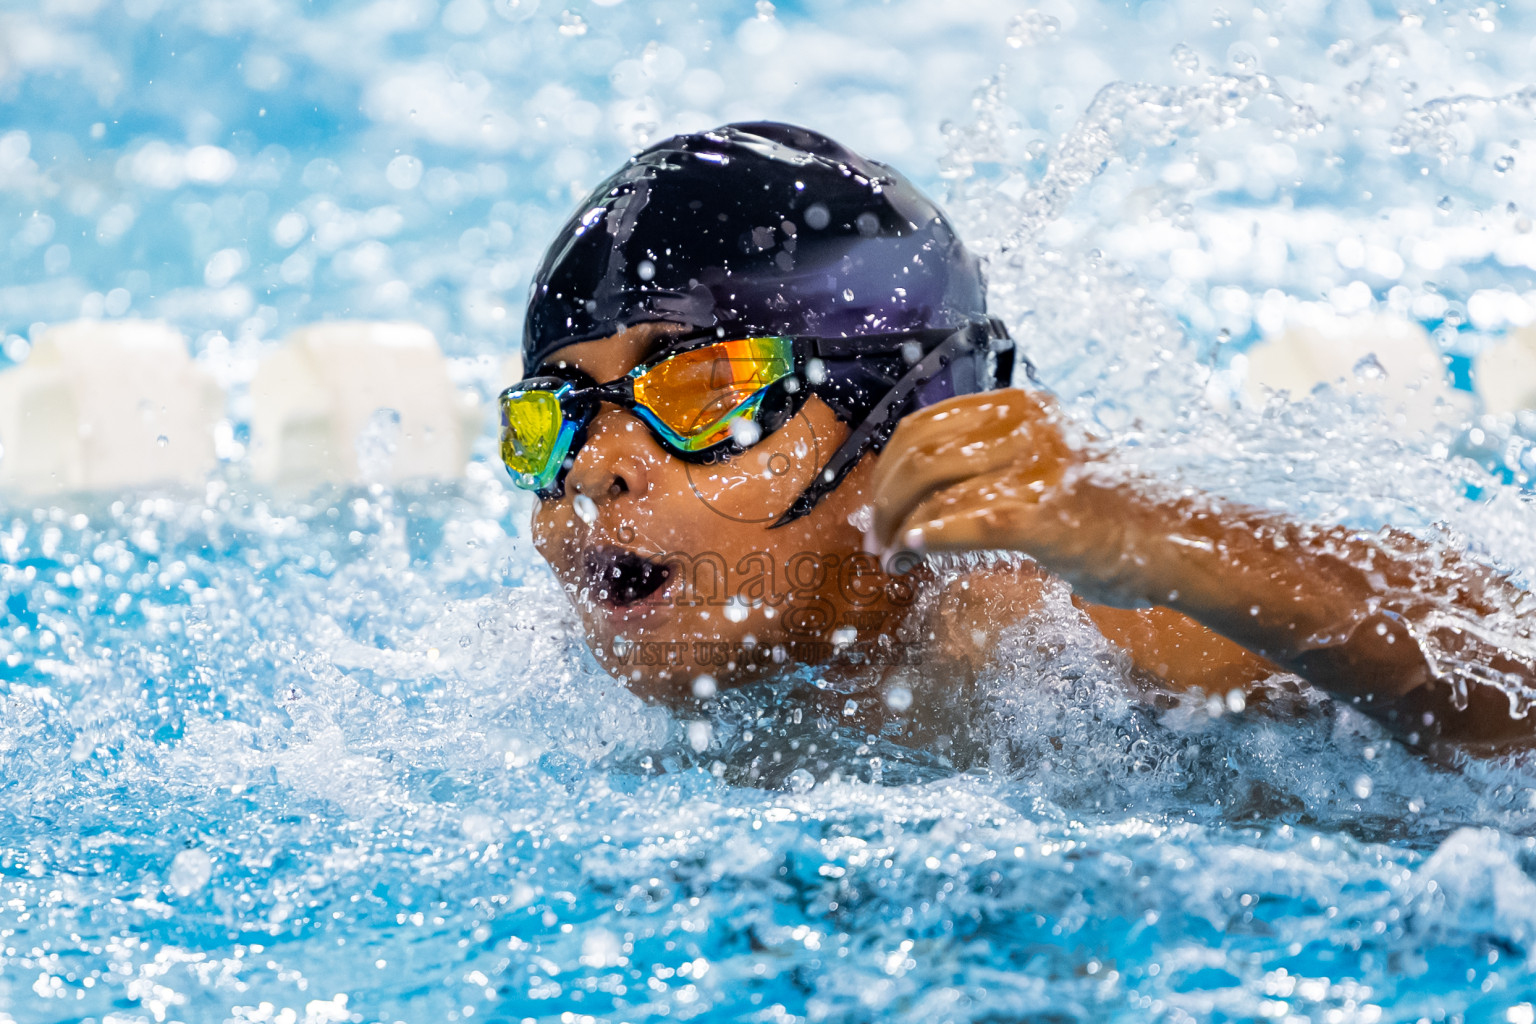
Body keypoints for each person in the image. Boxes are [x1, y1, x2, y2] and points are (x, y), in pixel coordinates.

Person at [499, 121, 1536, 759]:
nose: (591, 471)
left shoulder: (1050, 644)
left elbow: (1513, 682)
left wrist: (1155, 542)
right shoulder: (534, 698)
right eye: (555, 414)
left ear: (902, 421)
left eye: (702, 388)